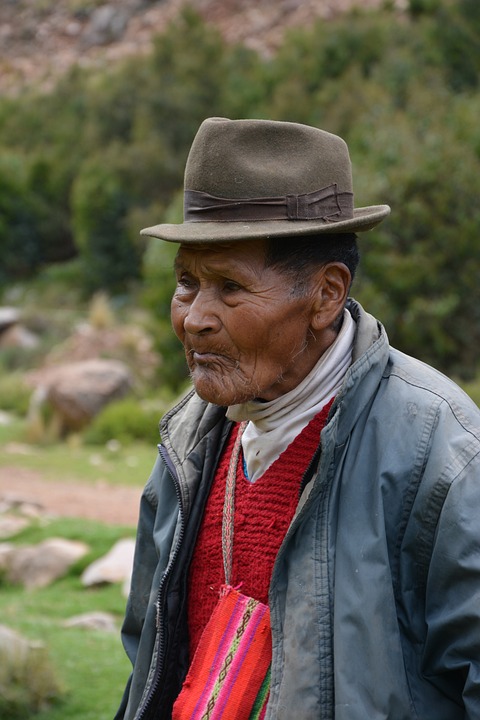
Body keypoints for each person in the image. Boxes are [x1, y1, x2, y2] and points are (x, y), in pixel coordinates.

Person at [114, 117, 480, 720]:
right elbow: (146, 655)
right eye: (186, 282)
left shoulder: (439, 452)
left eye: (229, 287)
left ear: (326, 295)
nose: (195, 318)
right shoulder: (187, 436)